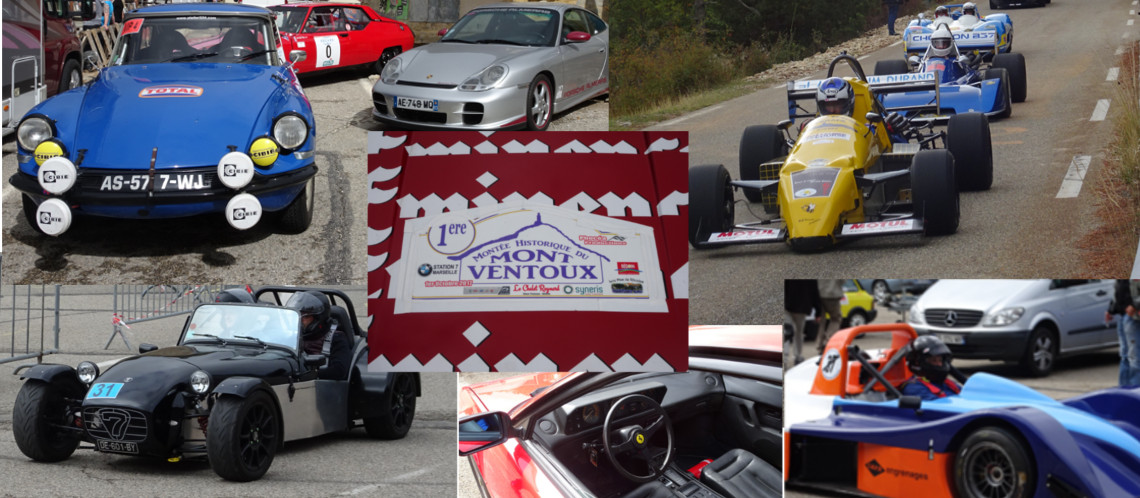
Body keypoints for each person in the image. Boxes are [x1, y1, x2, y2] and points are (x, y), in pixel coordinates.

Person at [287, 291, 351, 380]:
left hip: (321, 388)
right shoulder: (293, 336)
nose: (300, 320)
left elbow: (339, 370)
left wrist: (310, 375)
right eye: (298, 315)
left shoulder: (337, 338)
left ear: (318, 319)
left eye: (305, 317)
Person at [900, 335, 961, 400]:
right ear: (918, 363)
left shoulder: (947, 383)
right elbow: (940, 408)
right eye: (934, 360)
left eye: (940, 360)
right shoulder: (914, 387)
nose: (939, 364)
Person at [785, 280, 823, 366]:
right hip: (802, 306)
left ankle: (784, 359)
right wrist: (818, 311)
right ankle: (797, 357)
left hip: (787, 305)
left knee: (786, 332)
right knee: (798, 333)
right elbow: (814, 291)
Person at [816, 280, 845, 354]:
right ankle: (828, 340)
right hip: (833, 294)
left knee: (821, 321)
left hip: (819, 293)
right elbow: (842, 280)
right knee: (836, 319)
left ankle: (819, 344)